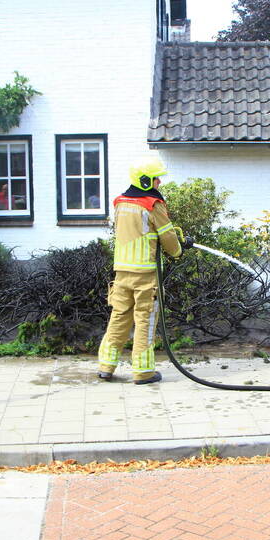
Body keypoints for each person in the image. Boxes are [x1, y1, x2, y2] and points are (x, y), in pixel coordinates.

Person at [96, 158, 193, 384]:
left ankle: (105, 367)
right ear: (146, 180)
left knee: (119, 317)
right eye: (156, 177)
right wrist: (179, 250)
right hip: (145, 276)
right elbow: (168, 237)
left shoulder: (120, 202)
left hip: (121, 272)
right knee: (145, 321)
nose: (159, 181)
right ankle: (143, 372)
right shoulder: (152, 204)